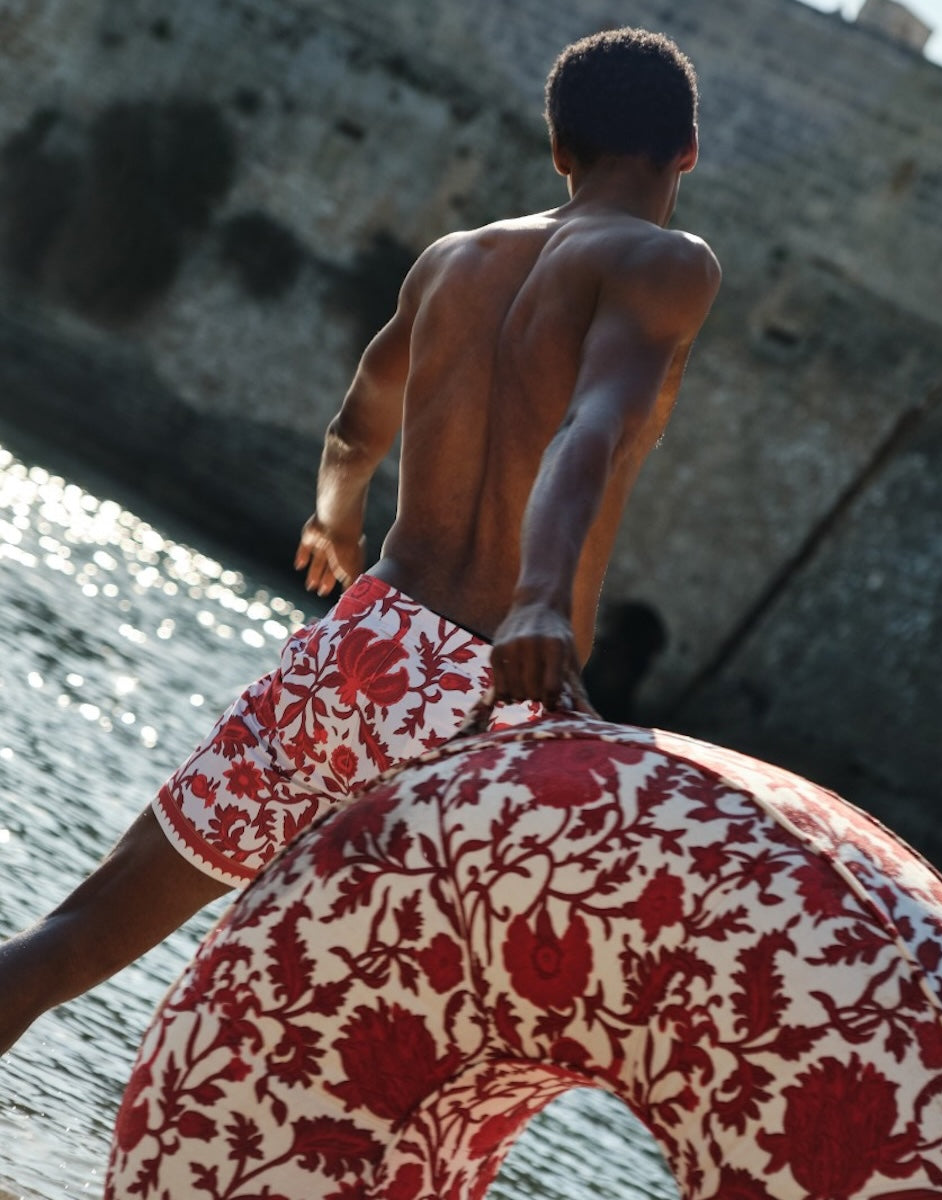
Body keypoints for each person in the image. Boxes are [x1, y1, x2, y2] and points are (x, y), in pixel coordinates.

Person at [0, 26, 720, 1055]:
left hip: (362, 646)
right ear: (686, 149)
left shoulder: (452, 261)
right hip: (486, 698)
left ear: (558, 149)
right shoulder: (667, 263)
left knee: (75, 939)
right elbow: (587, 431)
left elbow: (354, 426)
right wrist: (540, 598)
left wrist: (334, 519)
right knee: (404, 1056)